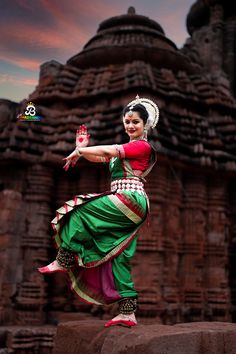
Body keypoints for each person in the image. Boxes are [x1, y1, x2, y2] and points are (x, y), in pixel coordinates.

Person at [38, 95, 159, 327]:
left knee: (79, 211)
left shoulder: (141, 146)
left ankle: (65, 258)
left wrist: (82, 151)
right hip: (128, 204)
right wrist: (80, 150)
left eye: (135, 122)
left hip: (129, 199)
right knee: (119, 256)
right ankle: (127, 311)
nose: (130, 126)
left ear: (146, 125)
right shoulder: (126, 150)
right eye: (127, 121)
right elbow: (102, 156)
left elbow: (111, 150)